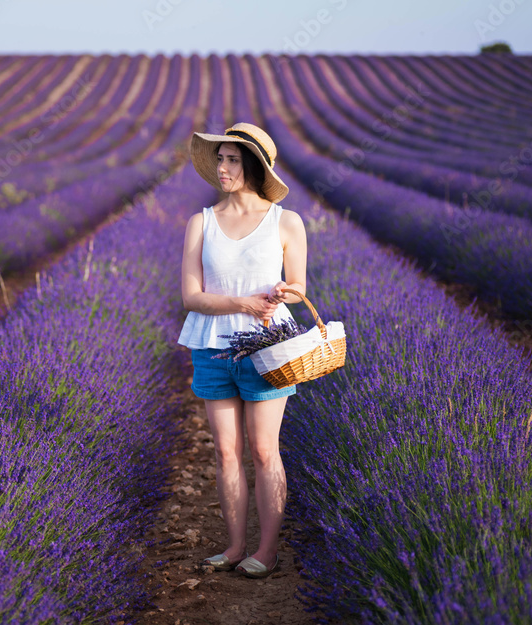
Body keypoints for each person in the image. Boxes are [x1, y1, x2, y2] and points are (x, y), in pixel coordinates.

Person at [177, 122, 308, 579]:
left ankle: (266, 551)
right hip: (211, 347)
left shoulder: (285, 221)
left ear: (252, 165)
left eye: (232, 159)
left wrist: (280, 293)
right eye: (220, 158)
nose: (222, 167)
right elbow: (191, 297)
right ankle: (234, 547)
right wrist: (241, 302)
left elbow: (299, 288)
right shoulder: (202, 221)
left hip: (267, 347)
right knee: (226, 453)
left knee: (264, 450)